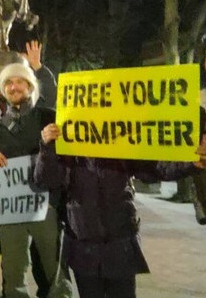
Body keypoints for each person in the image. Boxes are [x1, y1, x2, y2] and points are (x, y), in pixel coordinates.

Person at [35, 124, 206, 298]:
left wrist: (191, 162)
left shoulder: (122, 137)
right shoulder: (64, 141)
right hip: (83, 242)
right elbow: (45, 182)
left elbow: (155, 169)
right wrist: (47, 147)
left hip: (120, 241)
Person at [0, 56, 71, 298]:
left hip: (45, 204)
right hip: (11, 207)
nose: (14, 87)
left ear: (30, 87)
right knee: (13, 272)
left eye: (20, 82)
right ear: (3, 90)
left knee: (55, 270)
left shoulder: (47, 116)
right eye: (9, 83)